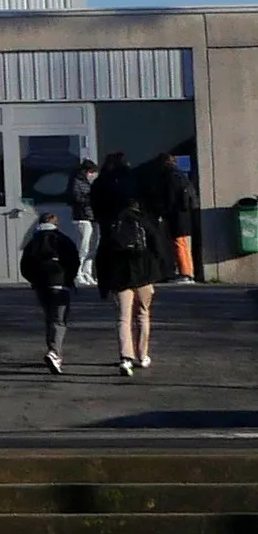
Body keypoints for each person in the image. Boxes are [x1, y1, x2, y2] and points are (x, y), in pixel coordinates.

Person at [95, 154, 176, 375]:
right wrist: (163, 270)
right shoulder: (144, 222)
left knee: (123, 316)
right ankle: (143, 354)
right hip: (144, 273)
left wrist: (103, 282)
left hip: (120, 274)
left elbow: (103, 254)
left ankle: (125, 358)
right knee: (143, 313)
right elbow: (158, 247)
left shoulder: (112, 224)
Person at [18, 198, 88, 372]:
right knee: (59, 320)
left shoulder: (33, 243)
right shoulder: (63, 240)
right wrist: (68, 278)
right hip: (60, 284)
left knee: (49, 317)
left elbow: (24, 266)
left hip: (40, 285)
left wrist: (34, 280)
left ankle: (52, 349)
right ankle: (54, 352)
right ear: (56, 224)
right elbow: (74, 262)